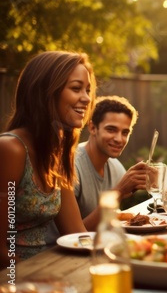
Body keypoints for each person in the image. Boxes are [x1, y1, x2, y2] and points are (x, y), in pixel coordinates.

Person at [0, 51, 96, 268]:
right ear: (45, 93)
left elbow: (76, 233)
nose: (87, 98)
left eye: (88, 90)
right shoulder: (11, 150)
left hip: (52, 271)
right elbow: (1, 251)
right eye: (76, 88)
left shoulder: (57, 153)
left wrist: (125, 248)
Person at [46, 96, 148, 243]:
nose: (119, 139)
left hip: (94, 247)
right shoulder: (70, 166)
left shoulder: (116, 168)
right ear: (93, 128)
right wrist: (118, 192)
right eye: (111, 130)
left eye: (125, 132)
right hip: (56, 254)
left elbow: (108, 222)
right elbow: (74, 236)